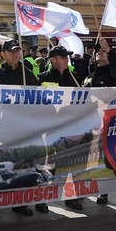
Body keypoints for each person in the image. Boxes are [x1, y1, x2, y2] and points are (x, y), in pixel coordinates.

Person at [0, 40, 45, 216]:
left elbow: (39, 96)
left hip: (21, 129)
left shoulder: (27, 73)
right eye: (11, 51)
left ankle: (19, 203)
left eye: (18, 51)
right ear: (3, 54)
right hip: (1, 130)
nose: (16, 54)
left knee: (21, 167)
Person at [39, 46, 86, 210]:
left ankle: (70, 196)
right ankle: (42, 198)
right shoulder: (41, 78)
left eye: (67, 56)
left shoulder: (74, 77)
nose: (66, 59)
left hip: (70, 127)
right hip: (50, 128)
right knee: (50, 165)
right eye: (62, 56)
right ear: (52, 60)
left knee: (69, 163)